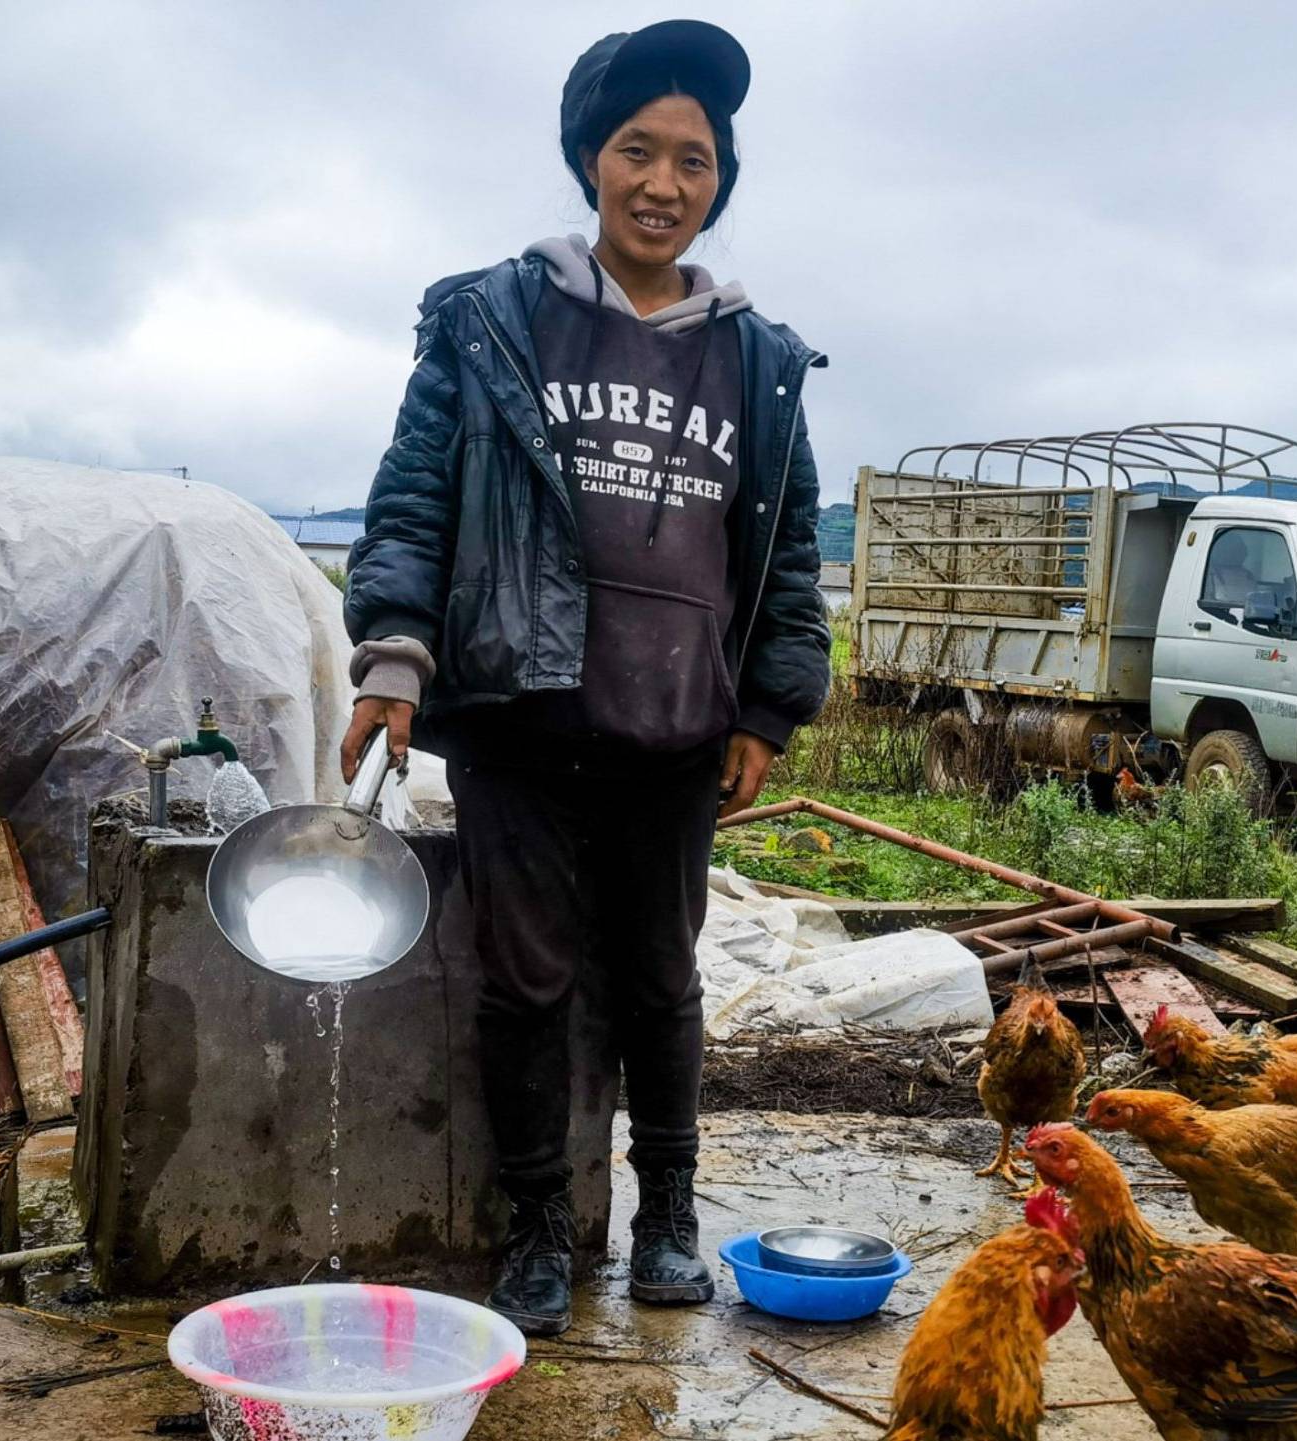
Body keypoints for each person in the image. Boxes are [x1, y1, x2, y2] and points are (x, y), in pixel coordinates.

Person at [340, 19, 830, 1338]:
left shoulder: (760, 360)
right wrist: (391, 656)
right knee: (526, 985)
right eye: (637, 151)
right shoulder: (496, 316)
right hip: (519, 713)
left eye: (694, 159)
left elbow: (784, 550)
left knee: (661, 980)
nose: (664, 182)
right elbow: (413, 499)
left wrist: (769, 704)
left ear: (719, 179)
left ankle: (667, 1215)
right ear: (587, 160)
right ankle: (535, 1235)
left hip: (676, 727)